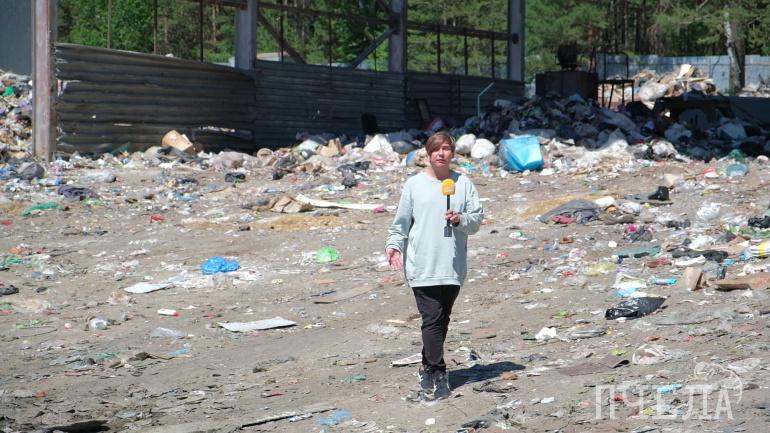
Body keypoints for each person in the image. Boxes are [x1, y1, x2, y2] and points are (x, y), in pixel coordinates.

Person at [385, 131, 484, 399]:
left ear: (453, 153)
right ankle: (438, 372)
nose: (441, 153)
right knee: (432, 318)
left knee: (442, 320)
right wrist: (393, 245)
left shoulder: (463, 184)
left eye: (446, 149)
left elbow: (476, 221)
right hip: (422, 264)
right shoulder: (414, 185)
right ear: (428, 153)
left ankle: (427, 365)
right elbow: (401, 223)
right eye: (436, 149)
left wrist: (460, 219)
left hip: (452, 264)